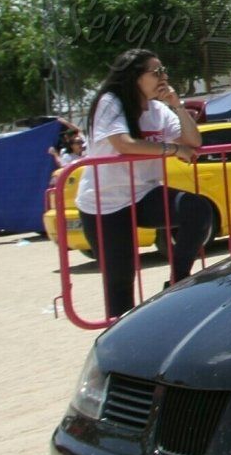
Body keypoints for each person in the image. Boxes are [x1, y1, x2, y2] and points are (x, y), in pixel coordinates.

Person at [77, 49, 216, 319]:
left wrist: (177, 105)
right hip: (105, 202)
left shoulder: (158, 109)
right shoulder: (111, 101)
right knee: (121, 278)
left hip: (143, 194)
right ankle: (122, 342)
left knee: (198, 208)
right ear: (134, 76)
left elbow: (194, 141)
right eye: (156, 72)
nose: (164, 76)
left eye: (164, 71)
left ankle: (177, 282)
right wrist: (173, 150)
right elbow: (123, 144)